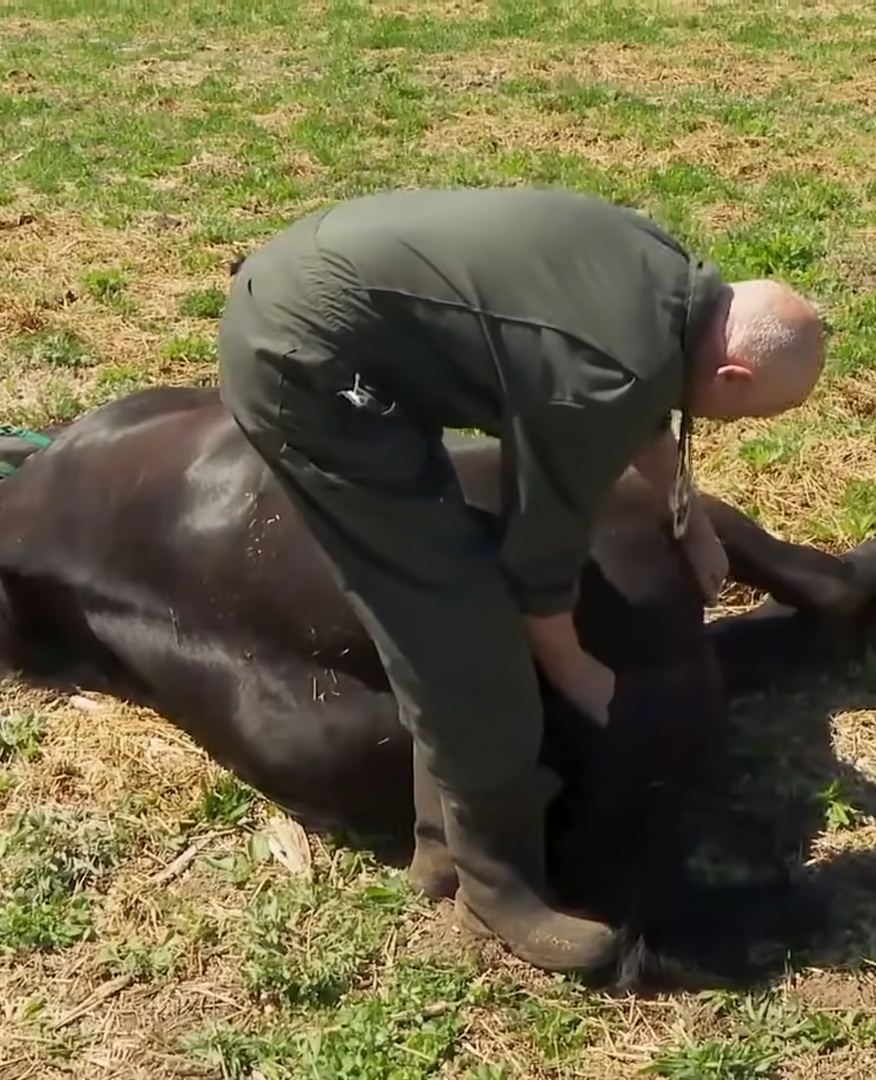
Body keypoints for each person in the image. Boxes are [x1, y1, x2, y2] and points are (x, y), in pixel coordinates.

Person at [216, 186, 825, 975]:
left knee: (453, 600)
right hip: (305, 366)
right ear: (735, 375)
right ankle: (493, 884)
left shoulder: (671, 279)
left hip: (329, 290)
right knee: (458, 619)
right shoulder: (605, 375)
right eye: (739, 417)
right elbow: (542, 564)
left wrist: (690, 520)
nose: (726, 425)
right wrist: (579, 673)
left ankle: (440, 845)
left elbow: (648, 403)